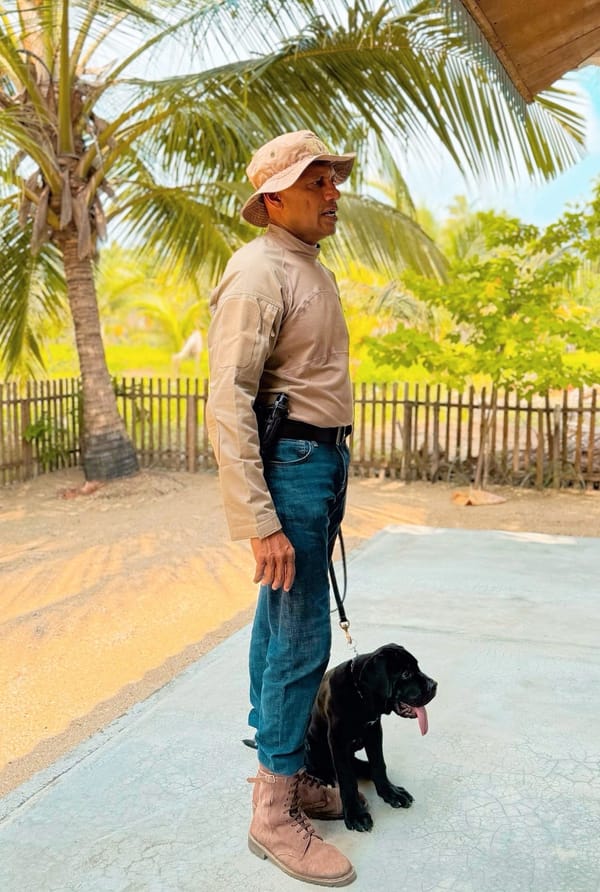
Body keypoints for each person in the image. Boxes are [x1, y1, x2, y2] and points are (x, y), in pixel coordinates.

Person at [207, 130, 356, 887]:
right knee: (301, 636)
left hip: (320, 460)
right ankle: (272, 813)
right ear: (274, 197)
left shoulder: (304, 267)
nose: (334, 193)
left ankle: (286, 766)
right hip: (292, 465)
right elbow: (228, 398)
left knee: (279, 624)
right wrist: (259, 519)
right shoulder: (259, 270)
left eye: (333, 179)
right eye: (316, 181)